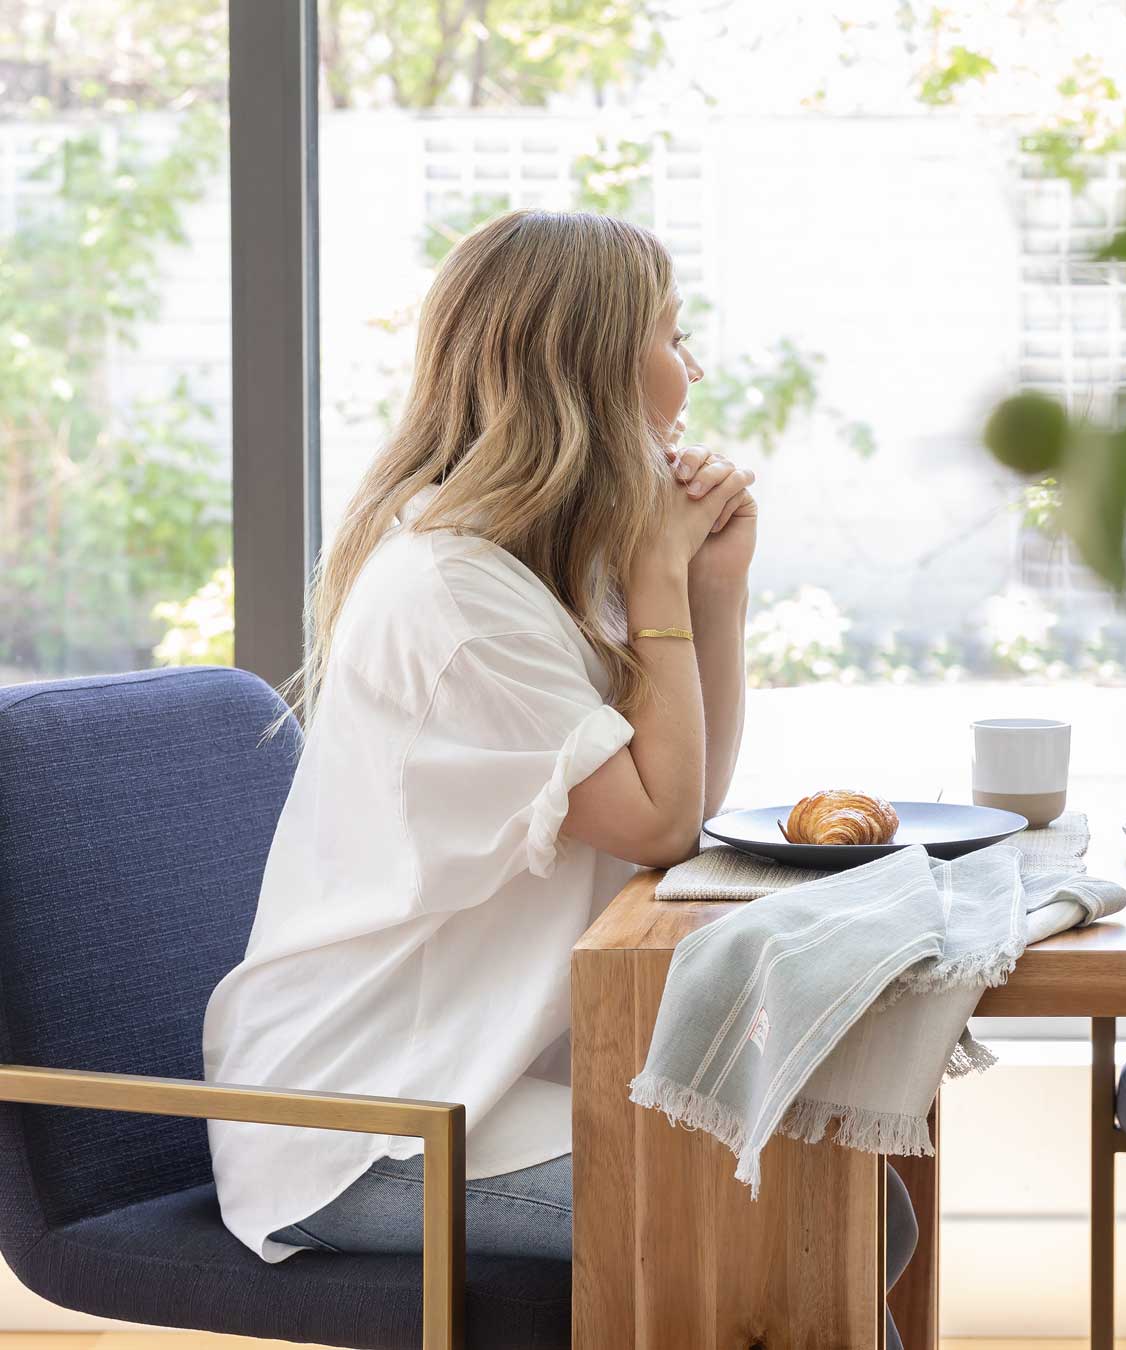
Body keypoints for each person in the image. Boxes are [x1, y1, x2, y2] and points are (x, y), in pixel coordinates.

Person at [199, 210, 917, 1345]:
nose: (695, 367)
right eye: (674, 334)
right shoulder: (454, 593)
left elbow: (676, 803)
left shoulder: (534, 571)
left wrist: (710, 588)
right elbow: (660, 820)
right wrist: (662, 577)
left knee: (852, 1211)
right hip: (365, 1118)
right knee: (795, 1214)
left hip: (456, 1081)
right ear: (592, 363)